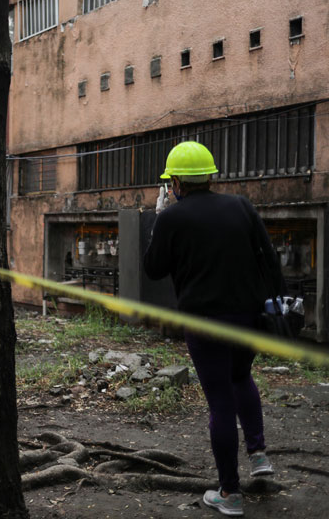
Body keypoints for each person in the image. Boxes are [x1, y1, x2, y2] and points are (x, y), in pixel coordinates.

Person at [144, 141, 278, 517]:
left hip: (204, 321)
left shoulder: (172, 217)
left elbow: (153, 269)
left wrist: (160, 220)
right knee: (241, 378)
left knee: (220, 399)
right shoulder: (241, 206)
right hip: (249, 316)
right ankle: (259, 455)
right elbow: (268, 258)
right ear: (209, 176)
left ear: (177, 184)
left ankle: (231, 494)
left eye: (170, 182)